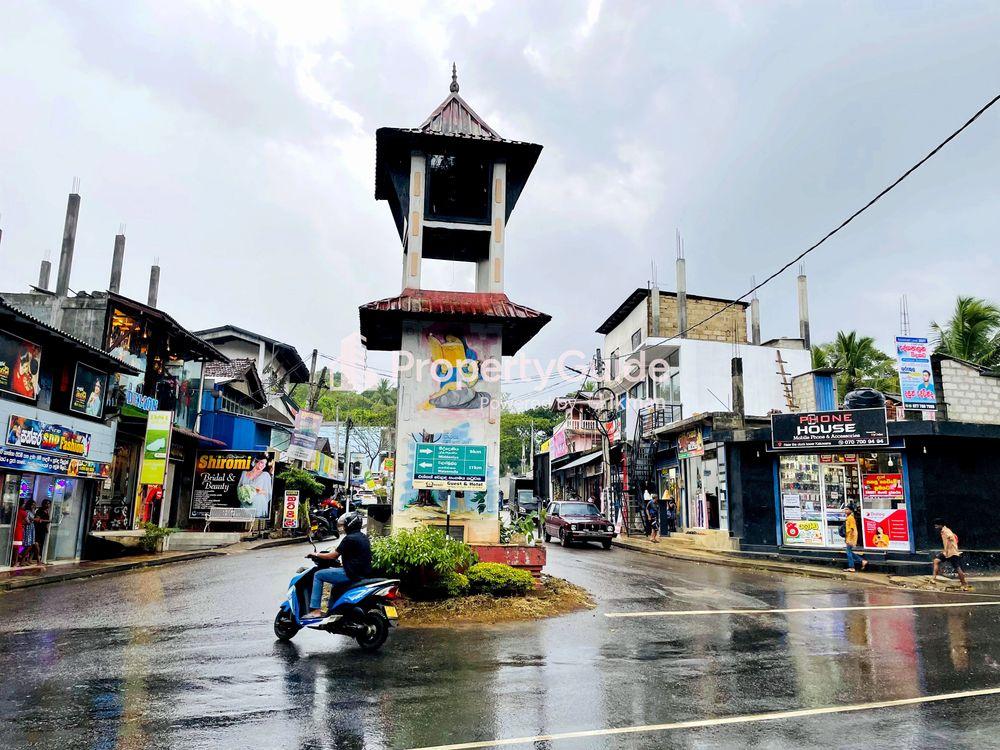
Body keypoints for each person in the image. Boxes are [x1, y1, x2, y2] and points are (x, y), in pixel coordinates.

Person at [304, 512, 372, 619]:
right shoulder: (363, 537)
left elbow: (333, 555)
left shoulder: (349, 539)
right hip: (360, 573)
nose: (343, 527)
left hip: (350, 574)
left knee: (318, 575)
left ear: (349, 525)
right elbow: (355, 556)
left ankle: (316, 611)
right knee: (335, 586)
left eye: (344, 524)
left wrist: (315, 554)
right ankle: (333, 612)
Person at [933, 519, 970, 590]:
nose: (935, 527)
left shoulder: (946, 531)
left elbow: (952, 537)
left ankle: (964, 584)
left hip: (952, 553)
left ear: (941, 525)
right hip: (946, 552)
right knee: (936, 561)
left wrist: (951, 539)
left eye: (936, 525)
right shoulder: (943, 531)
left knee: (957, 568)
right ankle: (933, 579)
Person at [843, 503, 867, 572]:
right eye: (845, 509)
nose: (845, 510)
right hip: (849, 538)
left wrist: (850, 540)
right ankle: (862, 561)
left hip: (850, 538)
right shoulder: (849, 518)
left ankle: (852, 567)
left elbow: (853, 530)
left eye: (847, 509)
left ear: (851, 510)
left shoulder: (851, 518)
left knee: (848, 552)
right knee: (849, 552)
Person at [14, 500, 36, 567]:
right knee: (25, 545)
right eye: (32, 505)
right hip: (26, 529)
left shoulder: (31, 512)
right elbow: (27, 521)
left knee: (27, 545)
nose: (34, 506)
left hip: (28, 528)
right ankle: (20, 558)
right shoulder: (25, 512)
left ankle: (21, 559)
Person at [33, 499, 51, 564]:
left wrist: (46, 527)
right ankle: (37, 558)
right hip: (38, 529)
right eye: (46, 504)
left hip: (43, 529)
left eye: (49, 504)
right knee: (36, 543)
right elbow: (38, 520)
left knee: (40, 544)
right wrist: (47, 521)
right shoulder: (40, 511)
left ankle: (38, 558)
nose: (48, 505)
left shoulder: (47, 511)